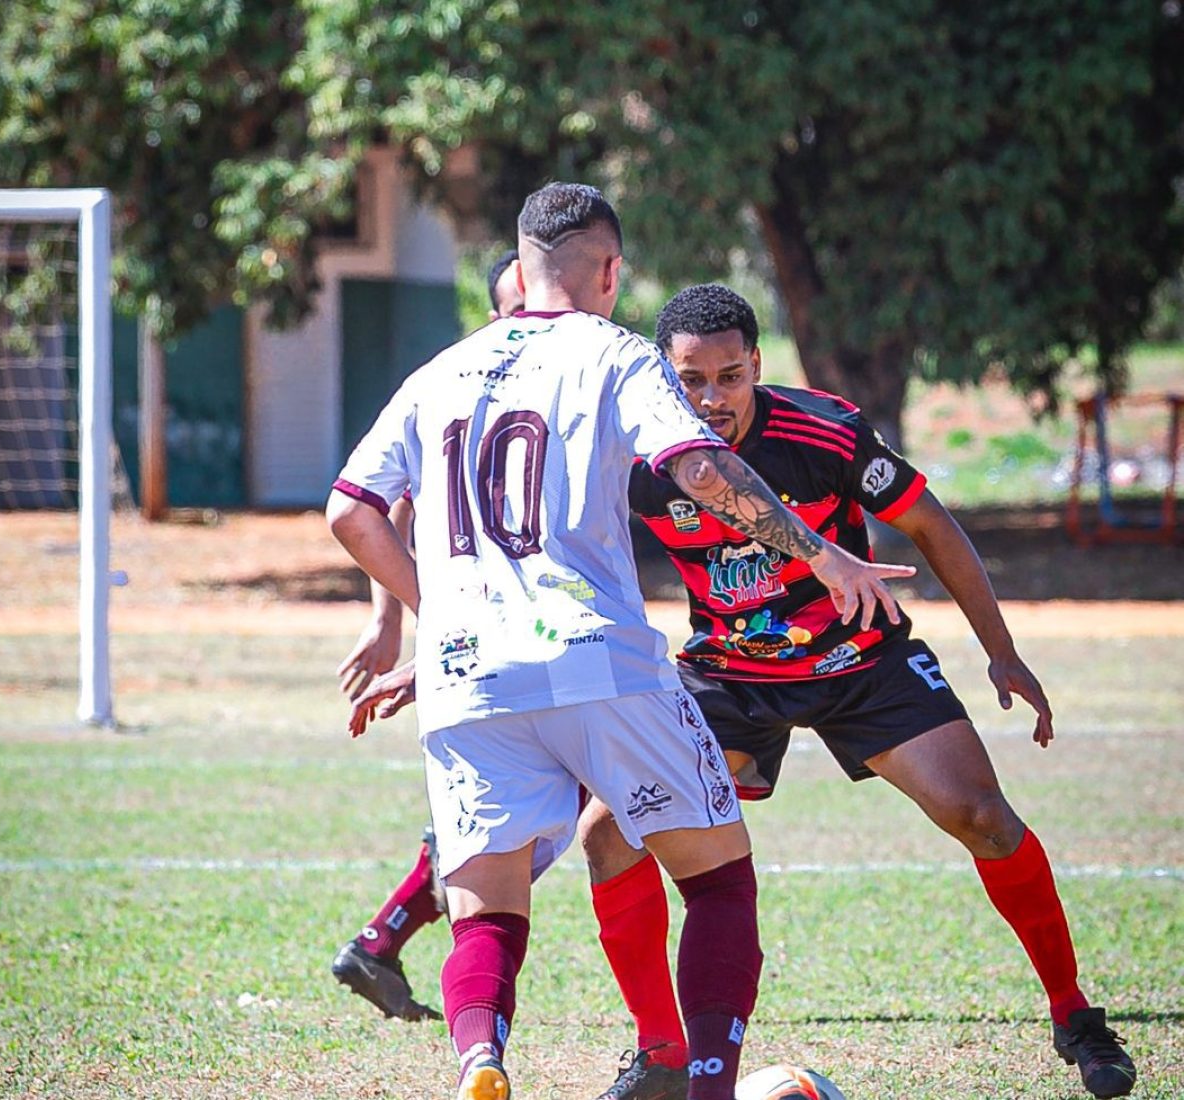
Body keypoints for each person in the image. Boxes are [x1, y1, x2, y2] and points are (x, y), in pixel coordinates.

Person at [351, 283, 1139, 1100]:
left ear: (757, 365)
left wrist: (1002, 653)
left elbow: (933, 524)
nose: (711, 398)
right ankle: (660, 1051)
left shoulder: (823, 430)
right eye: (691, 379)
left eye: (730, 376)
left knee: (982, 814)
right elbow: (502, 539)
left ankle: (1075, 1013)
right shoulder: (633, 453)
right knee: (608, 837)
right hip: (727, 674)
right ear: (664, 374)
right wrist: (439, 645)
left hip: (858, 662)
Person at [326, 184, 913, 1100]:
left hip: (466, 680)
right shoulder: (616, 353)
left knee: (484, 915)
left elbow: (351, 512)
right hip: (597, 658)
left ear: (517, 271)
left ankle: (482, 1060)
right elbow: (696, 466)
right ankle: (709, 1086)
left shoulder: (438, 370)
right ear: (610, 272)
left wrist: (437, 614)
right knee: (718, 882)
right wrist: (822, 551)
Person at [329, 251, 524, 1023]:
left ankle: (382, 940)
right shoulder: (459, 392)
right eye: (515, 309)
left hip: (528, 634)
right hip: (489, 642)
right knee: (526, 815)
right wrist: (393, 619)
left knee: (527, 811)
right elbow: (384, 505)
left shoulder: (581, 382)